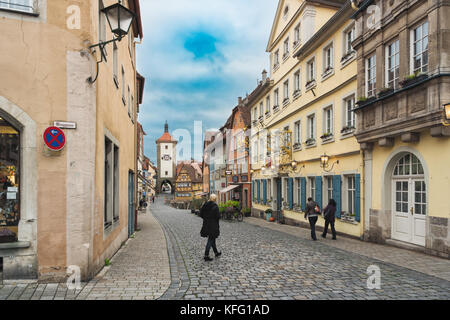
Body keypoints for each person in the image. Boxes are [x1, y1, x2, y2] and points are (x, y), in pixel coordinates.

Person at [200, 194, 221, 261]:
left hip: (206, 224)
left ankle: (216, 252)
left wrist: (206, 218)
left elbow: (201, 214)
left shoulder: (205, 205)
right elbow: (218, 216)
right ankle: (206, 255)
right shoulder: (215, 206)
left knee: (212, 239)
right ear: (215, 199)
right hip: (213, 225)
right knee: (211, 239)